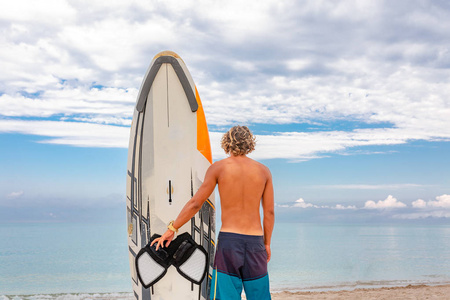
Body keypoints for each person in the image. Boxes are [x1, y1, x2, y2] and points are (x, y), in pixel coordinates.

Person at [151, 125, 274, 300]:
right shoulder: (264, 171)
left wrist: (172, 228)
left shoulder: (219, 168)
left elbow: (195, 203)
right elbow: (269, 212)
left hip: (229, 244)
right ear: (249, 144)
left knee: (226, 296)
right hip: (255, 243)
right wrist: (267, 244)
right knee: (260, 296)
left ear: (227, 143)